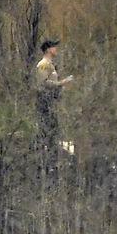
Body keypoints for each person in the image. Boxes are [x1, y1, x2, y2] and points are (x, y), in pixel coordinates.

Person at [33, 39, 74, 169]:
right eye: (54, 47)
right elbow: (44, 83)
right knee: (47, 129)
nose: (56, 49)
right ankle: (45, 160)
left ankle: (52, 158)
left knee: (53, 130)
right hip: (44, 103)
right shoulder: (43, 64)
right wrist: (62, 82)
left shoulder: (50, 64)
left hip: (50, 102)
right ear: (48, 49)